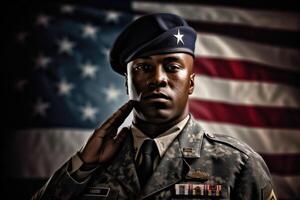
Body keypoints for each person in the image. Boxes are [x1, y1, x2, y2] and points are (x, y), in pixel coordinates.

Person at [32, 13, 277, 200]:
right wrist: (83, 165)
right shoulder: (91, 164)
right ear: (127, 83)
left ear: (191, 83)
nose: (158, 78)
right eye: (143, 68)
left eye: (172, 67)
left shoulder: (238, 164)